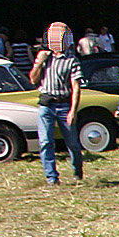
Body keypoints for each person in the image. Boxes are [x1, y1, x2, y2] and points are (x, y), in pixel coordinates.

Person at [29, 21, 84, 183]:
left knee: (72, 143)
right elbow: (33, 80)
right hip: (46, 104)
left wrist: (73, 110)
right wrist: (39, 63)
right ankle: (51, 177)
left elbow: (76, 87)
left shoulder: (72, 60)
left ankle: (77, 170)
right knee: (45, 141)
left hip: (64, 104)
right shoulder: (45, 58)